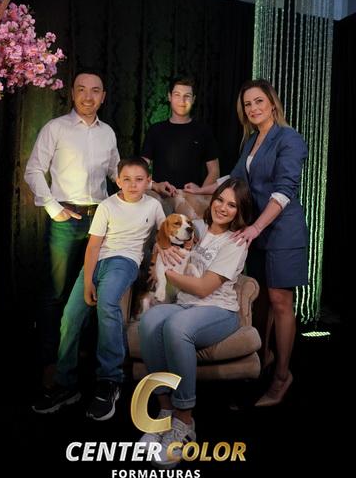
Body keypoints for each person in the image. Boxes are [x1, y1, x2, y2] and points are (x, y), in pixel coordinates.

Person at [184, 79, 308, 407]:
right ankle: (265, 358)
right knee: (262, 300)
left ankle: (282, 376)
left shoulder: (289, 138)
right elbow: (235, 179)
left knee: (280, 301)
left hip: (282, 231)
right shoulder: (253, 140)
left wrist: (255, 227)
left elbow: (284, 190)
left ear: (272, 103)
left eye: (258, 101)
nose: (253, 108)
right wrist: (200, 190)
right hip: (257, 230)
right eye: (247, 104)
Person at [32, 157, 165, 419]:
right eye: (126, 179)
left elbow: (165, 234)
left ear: (148, 182)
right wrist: (88, 282)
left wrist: (157, 260)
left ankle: (109, 380)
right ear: (118, 181)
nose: (133, 185)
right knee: (70, 316)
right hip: (97, 262)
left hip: (125, 261)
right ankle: (66, 383)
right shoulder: (107, 205)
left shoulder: (153, 205)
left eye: (139, 180)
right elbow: (93, 246)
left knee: (107, 304)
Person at [138, 178, 252, 468]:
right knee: (149, 321)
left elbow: (203, 289)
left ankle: (184, 421)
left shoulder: (236, 242)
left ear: (239, 211)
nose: (222, 208)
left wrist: (169, 273)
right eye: (220, 200)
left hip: (219, 310)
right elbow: (169, 232)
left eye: (232, 205)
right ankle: (164, 412)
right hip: (185, 304)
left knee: (177, 328)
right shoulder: (197, 228)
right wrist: (162, 251)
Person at [24, 68, 120, 384]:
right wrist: (54, 209)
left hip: (100, 221)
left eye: (95, 90)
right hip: (65, 220)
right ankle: (50, 362)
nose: (88, 96)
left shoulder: (108, 133)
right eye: (81, 89)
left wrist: (146, 183)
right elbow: (33, 170)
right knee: (55, 293)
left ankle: (82, 358)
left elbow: (115, 173)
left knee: (92, 291)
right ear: (72, 93)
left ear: (103, 97)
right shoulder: (55, 128)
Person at [141, 78, 220, 203]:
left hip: (191, 198)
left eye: (187, 96)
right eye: (177, 95)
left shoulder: (204, 131)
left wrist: (200, 194)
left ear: (193, 99)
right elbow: (141, 168)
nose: (182, 101)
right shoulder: (155, 130)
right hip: (159, 196)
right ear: (169, 97)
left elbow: (214, 171)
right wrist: (155, 185)